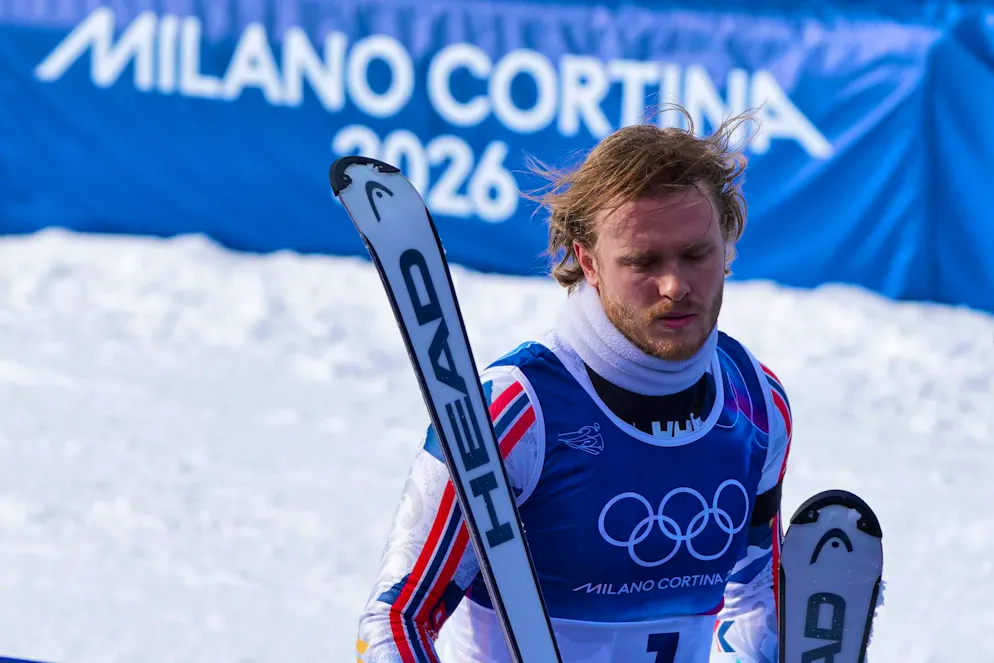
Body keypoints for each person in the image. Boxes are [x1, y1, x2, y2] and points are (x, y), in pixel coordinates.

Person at [355, 106, 792, 663]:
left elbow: (755, 597)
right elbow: (396, 619)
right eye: (643, 261)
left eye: (695, 254)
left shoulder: (755, 402)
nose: (675, 284)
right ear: (588, 262)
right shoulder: (514, 411)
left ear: (726, 244)